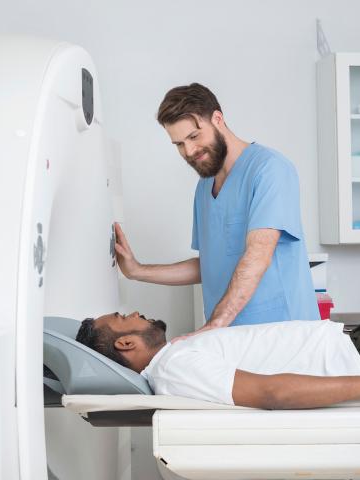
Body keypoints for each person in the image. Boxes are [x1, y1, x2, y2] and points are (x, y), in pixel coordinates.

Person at [115, 83, 319, 335]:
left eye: (193, 136)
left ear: (218, 119)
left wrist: (214, 324)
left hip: (282, 334)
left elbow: (258, 254)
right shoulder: (204, 188)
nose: (189, 151)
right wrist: (137, 271)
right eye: (178, 144)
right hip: (230, 337)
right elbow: (210, 265)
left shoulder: (270, 170)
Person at [76, 311, 360, 409]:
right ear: (126, 343)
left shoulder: (173, 357)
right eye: (124, 317)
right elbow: (272, 392)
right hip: (350, 355)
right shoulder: (173, 369)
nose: (136, 312)